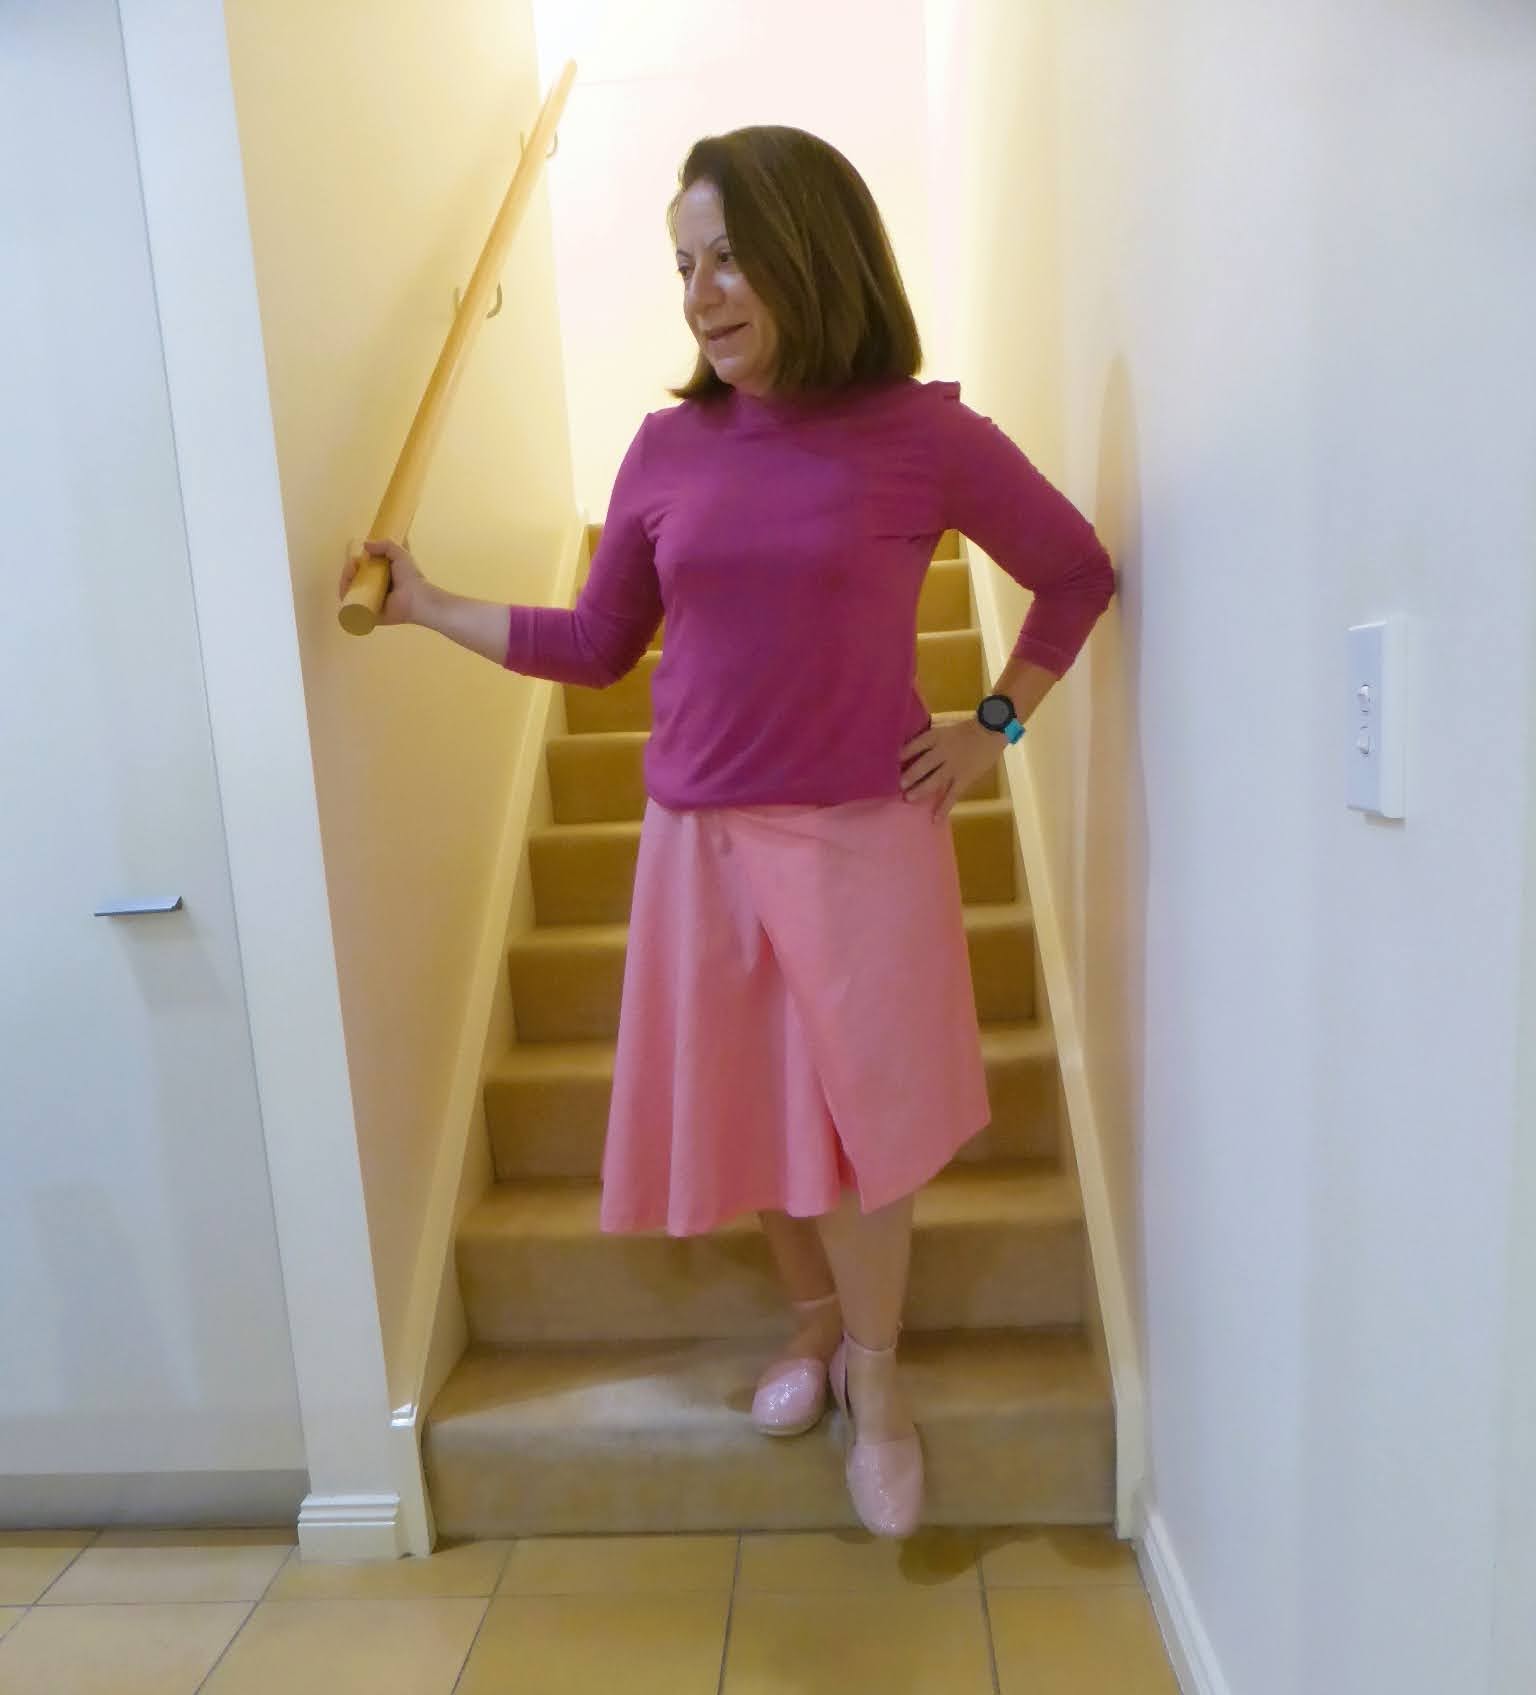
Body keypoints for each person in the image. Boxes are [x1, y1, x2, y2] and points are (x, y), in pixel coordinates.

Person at [340, 124, 1115, 1541]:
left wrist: (994, 726)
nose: (700, 295)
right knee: (750, 1108)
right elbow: (596, 647)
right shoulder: (666, 446)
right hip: (698, 839)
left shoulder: (922, 434)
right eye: (684, 266)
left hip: (862, 838)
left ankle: (878, 1379)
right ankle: (814, 1323)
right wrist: (430, 605)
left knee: (865, 1123)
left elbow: (1076, 573)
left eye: (730, 259)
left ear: (815, 253)